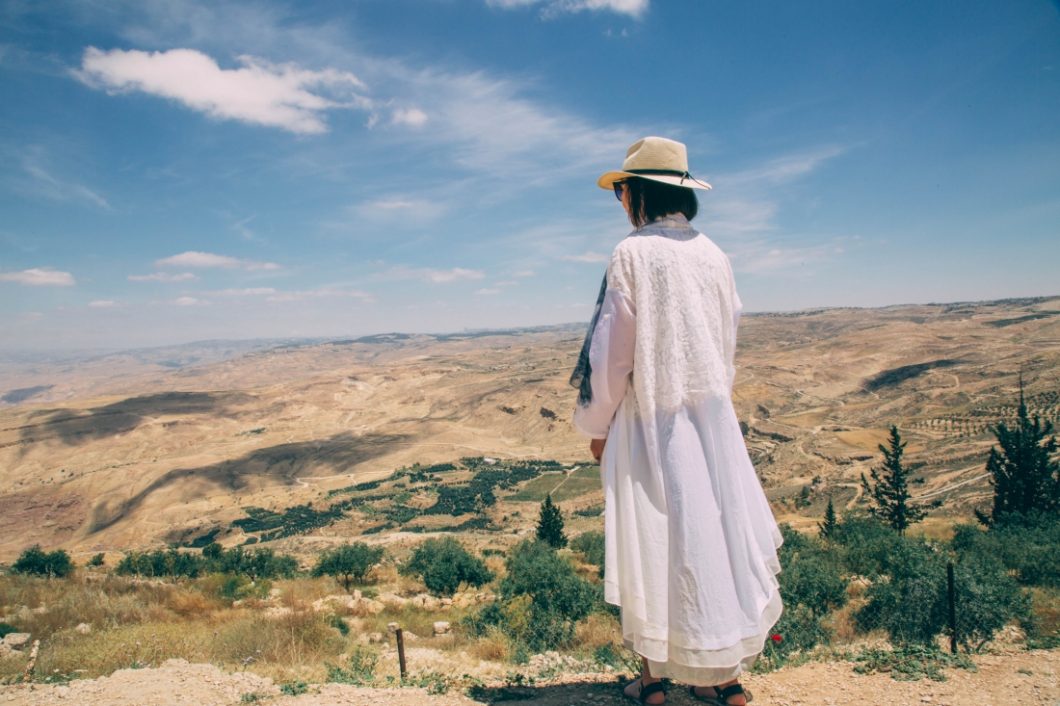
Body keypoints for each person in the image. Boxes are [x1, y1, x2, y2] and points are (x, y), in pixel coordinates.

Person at [570, 137, 783, 705]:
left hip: (650, 420)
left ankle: (655, 680)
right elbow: (726, 339)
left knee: (653, 541)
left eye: (621, 189)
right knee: (713, 533)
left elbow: (612, 352)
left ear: (637, 192)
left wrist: (598, 424)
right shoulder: (715, 254)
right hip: (709, 419)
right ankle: (728, 682)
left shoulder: (631, 254)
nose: (618, 199)